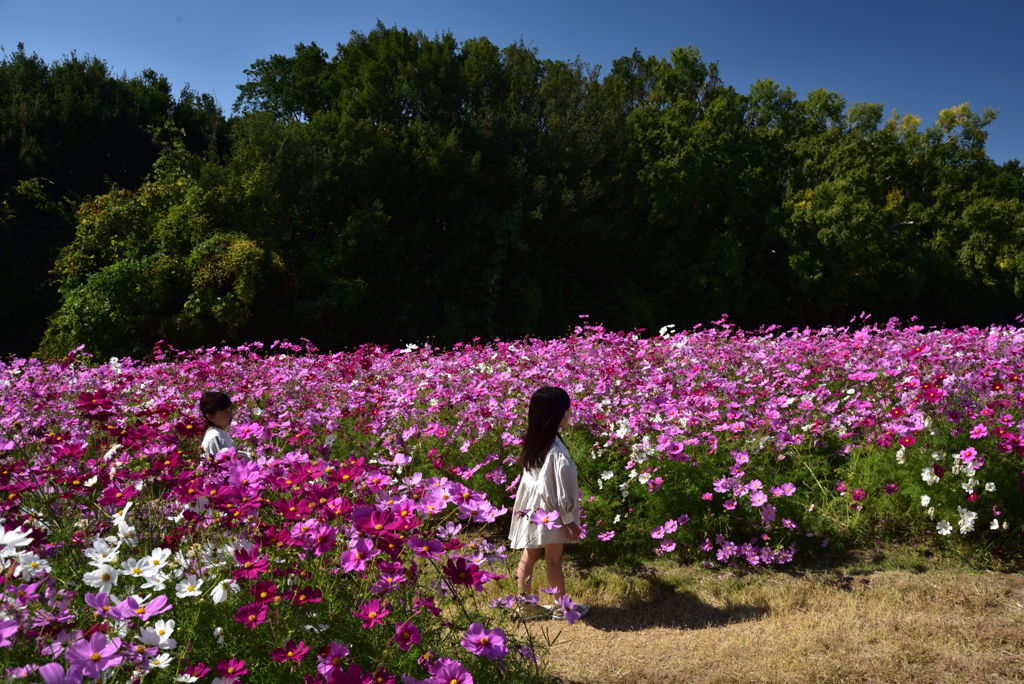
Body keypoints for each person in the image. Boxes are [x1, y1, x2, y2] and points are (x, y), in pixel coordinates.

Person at [508, 385, 589, 620]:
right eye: (567, 410)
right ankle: (562, 607)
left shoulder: (535, 441)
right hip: (550, 512)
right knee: (553, 560)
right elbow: (557, 492)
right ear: (556, 415)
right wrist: (569, 520)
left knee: (528, 556)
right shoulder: (555, 451)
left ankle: (525, 606)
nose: (570, 414)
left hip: (530, 508)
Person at [200, 390, 237, 458]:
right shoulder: (214, 437)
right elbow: (217, 465)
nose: (231, 413)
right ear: (210, 417)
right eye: (225, 411)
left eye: (230, 409)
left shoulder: (219, 432)